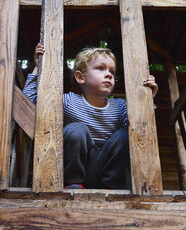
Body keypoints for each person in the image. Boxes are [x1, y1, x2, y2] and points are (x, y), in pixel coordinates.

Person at [23, 43, 158, 189]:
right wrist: (37, 67)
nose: (108, 74)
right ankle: (72, 183)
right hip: (76, 171)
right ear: (80, 77)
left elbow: (141, 128)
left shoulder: (120, 106)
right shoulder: (69, 101)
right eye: (100, 68)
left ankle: (112, 188)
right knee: (76, 129)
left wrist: (148, 100)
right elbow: (29, 102)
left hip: (106, 172)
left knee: (125, 135)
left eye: (112, 72)